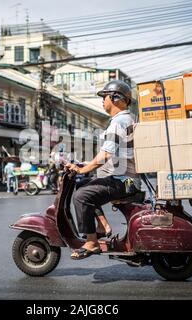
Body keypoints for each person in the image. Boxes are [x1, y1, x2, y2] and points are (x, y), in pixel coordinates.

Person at [66, 80, 141, 260]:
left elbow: (105, 155)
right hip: (126, 180)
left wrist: (82, 169)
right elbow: (109, 155)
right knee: (83, 185)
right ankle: (101, 226)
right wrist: (84, 165)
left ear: (115, 98)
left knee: (81, 196)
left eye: (105, 97)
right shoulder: (125, 120)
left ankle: (91, 243)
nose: (102, 101)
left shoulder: (119, 122)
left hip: (125, 182)